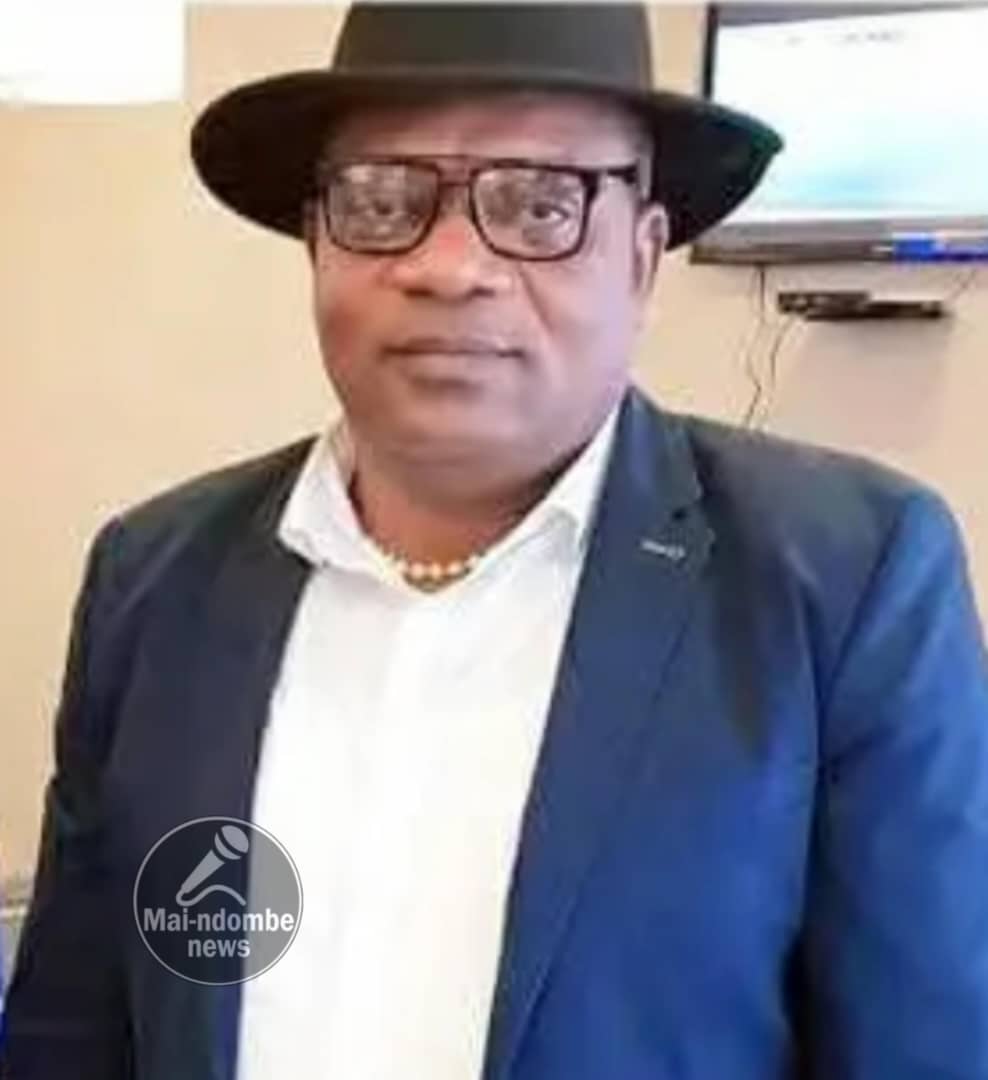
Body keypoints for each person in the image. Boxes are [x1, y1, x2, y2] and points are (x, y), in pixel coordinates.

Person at [2, 4, 987, 1079]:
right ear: (318, 240)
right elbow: (71, 1033)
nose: (449, 266)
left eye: (538, 204)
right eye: (382, 200)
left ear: (641, 255)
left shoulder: (842, 583)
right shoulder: (155, 580)